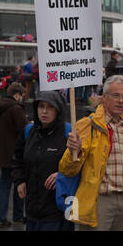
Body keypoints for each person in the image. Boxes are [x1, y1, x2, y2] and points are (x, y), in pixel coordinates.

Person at [59, 75, 123, 230]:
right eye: (116, 95)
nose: (121, 100)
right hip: (98, 201)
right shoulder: (87, 125)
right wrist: (73, 152)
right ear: (104, 97)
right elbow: (67, 169)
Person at [11, 91, 74, 231]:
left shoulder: (69, 134)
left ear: (58, 109)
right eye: (41, 106)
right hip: (32, 210)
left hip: (59, 211)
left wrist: (61, 174)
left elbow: (80, 165)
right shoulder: (29, 132)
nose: (44, 111)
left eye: (50, 107)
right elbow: (17, 159)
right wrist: (20, 180)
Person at [0, 83, 27, 228]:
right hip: (15, 155)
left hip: (2, 153)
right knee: (19, 184)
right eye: (21, 96)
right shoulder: (15, 109)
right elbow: (23, 129)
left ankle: (1, 217)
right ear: (17, 94)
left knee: (4, 185)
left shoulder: (0, 106)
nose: (21, 99)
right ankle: (17, 215)